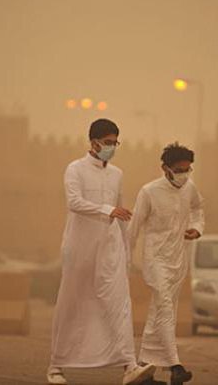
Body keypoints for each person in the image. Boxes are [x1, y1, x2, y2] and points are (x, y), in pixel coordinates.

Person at [47, 119, 156, 385]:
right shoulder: (75, 169)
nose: (112, 147)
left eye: (115, 142)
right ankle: (56, 366)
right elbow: (74, 202)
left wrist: (126, 251)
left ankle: (129, 365)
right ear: (93, 142)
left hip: (109, 249)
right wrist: (107, 211)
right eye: (108, 142)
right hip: (79, 249)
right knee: (72, 302)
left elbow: (120, 213)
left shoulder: (117, 174)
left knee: (119, 302)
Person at [127, 142, 205, 385]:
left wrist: (196, 228)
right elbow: (134, 227)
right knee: (165, 308)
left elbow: (198, 208)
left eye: (188, 169)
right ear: (165, 168)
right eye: (180, 169)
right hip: (154, 259)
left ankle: (143, 368)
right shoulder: (149, 192)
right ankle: (175, 365)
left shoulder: (189, 188)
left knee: (161, 311)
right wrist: (125, 260)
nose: (184, 174)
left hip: (177, 260)